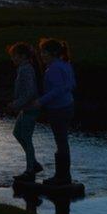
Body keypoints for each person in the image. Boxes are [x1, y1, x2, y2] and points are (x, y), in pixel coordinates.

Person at [32, 38, 76, 186]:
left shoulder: (55, 68)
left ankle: (62, 177)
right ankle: (63, 175)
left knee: (61, 142)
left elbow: (57, 89)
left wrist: (40, 101)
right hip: (68, 105)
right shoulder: (65, 64)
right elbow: (71, 84)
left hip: (59, 109)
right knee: (63, 141)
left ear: (53, 53)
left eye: (44, 52)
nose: (41, 55)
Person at [7, 42, 43, 181]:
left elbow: (30, 92)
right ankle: (33, 164)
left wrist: (15, 104)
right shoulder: (24, 68)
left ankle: (30, 170)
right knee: (17, 133)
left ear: (22, 56)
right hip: (25, 108)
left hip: (30, 108)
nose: (12, 59)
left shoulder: (26, 69)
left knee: (26, 138)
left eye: (14, 56)